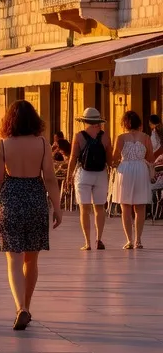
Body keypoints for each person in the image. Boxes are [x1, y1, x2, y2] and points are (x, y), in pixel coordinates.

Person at [0, 100, 62, 331]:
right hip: (35, 198)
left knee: (14, 260)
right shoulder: (42, 144)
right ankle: (27, 306)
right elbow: (50, 177)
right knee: (31, 260)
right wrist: (57, 207)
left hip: (10, 199)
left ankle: (20, 306)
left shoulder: (3, 144)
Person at [66, 107, 110, 250]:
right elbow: (109, 160)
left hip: (83, 174)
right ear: (98, 121)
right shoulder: (105, 136)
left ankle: (87, 242)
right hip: (101, 174)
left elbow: (73, 158)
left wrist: (68, 176)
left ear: (85, 121)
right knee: (99, 208)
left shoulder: (79, 136)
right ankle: (99, 239)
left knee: (84, 209)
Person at [111, 111, 156, 249]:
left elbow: (114, 157)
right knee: (140, 206)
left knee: (125, 206)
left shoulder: (121, 137)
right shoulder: (146, 137)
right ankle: (139, 240)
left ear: (124, 123)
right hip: (141, 170)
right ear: (139, 123)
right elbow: (150, 158)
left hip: (125, 170)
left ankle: (129, 240)